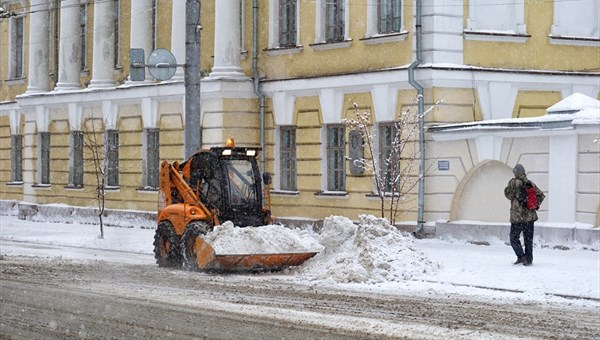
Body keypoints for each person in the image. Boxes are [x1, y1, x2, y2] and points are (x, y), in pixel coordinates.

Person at [504, 164, 545, 266]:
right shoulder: (530, 183)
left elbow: (508, 195)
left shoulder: (513, 182)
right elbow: (541, 195)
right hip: (529, 217)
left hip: (517, 217)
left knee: (513, 238)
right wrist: (534, 205)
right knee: (528, 239)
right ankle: (529, 259)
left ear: (516, 173)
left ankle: (521, 256)